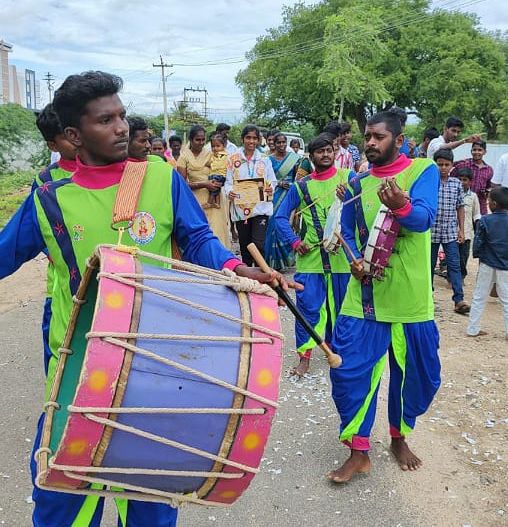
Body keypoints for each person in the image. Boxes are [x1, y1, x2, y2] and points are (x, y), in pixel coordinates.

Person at [0, 70, 291, 527]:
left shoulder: (159, 177)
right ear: (74, 134)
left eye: (120, 116)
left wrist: (236, 268)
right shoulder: (47, 197)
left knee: (151, 494)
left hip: (155, 360)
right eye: (105, 120)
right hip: (78, 366)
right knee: (61, 498)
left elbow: (197, 239)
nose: (121, 127)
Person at [327, 110, 440, 483]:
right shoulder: (358, 182)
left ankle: (398, 437)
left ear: (397, 137)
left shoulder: (422, 171)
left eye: (378, 137)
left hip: (409, 297)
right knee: (350, 375)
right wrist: (354, 260)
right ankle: (359, 452)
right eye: (367, 137)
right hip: (365, 297)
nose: (370, 143)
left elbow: (422, 219)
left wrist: (400, 206)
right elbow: (346, 229)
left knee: (413, 377)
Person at [275, 132, 353, 377]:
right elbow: (279, 218)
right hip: (310, 260)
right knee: (307, 309)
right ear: (311, 156)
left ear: (335, 152)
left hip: (341, 259)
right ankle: (304, 358)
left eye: (330, 150)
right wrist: (295, 242)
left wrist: (349, 197)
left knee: (343, 309)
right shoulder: (302, 186)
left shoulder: (348, 178)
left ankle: (341, 353)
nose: (326, 154)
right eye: (321, 151)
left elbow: (361, 210)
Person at [33, 104, 78, 373]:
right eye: (66, 135)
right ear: (52, 145)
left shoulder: (106, 169)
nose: (75, 139)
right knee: (59, 357)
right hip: (61, 286)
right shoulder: (45, 182)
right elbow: (36, 233)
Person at [466, 186, 508, 341]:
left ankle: (472, 328)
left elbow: (478, 242)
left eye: (489, 200)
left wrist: (479, 255)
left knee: (479, 296)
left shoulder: (485, 220)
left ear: (494, 203)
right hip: (505, 264)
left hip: (487, 263)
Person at [225, 124, 276, 266]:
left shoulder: (264, 159)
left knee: (259, 245)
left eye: (254, 138)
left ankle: (263, 279)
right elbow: (228, 183)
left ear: (259, 140)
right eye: (248, 138)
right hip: (241, 210)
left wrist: (270, 188)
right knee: (245, 247)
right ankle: (248, 282)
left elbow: (272, 180)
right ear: (243, 139)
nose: (251, 141)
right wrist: (230, 192)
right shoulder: (233, 159)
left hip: (261, 208)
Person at [177, 124, 232, 248]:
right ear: (191, 140)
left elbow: (222, 170)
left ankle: (219, 265)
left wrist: (219, 183)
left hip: (214, 199)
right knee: (199, 235)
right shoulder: (184, 157)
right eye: (197, 139)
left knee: (216, 233)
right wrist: (203, 184)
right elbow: (182, 184)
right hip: (195, 200)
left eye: (203, 139)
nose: (201, 143)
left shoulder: (211, 153)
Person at [430, 149, 468, 314]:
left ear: (452, 166)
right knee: (429, 265)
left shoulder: (456, 183)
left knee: (454, 264)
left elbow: (460, 207)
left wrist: (462, 230)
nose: (443, 168)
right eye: (440, 164)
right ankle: (428, 298)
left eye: (446, 164)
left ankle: (458, 300)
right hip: (431, 231)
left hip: (450, 231)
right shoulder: (429, 181)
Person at [265, 132, 302, 270]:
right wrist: (279, 183)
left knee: (285, 223)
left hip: (290, 194)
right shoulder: (268, 160)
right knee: (272, 225)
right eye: (278, 142)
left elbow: (299, 178)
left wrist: (292, 186)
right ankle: (271, 262)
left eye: (283, 142)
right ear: (273, 144)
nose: (281, 145)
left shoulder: (294, 159)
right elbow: (266, 179)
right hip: (274, 194)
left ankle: (286, 259)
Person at [451, 140, 494, 214]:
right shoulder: (463, 164)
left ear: (484, 152)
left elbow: (489, 187)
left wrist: (486, 192)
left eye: (480, 150)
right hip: (462, 204)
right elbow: (451, 180)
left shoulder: (489, 170)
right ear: (471, 151)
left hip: (480, 206)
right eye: (474, 150)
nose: (476, 152)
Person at [455, 167, 481, 281]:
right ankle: (453, 278)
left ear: (470, 181)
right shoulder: (452, 193)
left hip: (467, 232)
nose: (462, 182)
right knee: (453, 256)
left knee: (463, 256)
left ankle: (461, 277)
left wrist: (478, 227)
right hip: (453, 231)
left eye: (464, 179)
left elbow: (476, 214)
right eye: (459, 179)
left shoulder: (473, 196)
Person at [205, 132, 229, 209]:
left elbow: (219, 165)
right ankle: (217, 203)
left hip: (220, 175)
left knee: (213, 187)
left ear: (224, 146)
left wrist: (210, 165)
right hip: (215, 174)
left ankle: (209, 202)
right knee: (217, 190)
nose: (215, 148)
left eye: (218, 146)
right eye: (213, 146)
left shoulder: (223, 155)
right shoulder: (214, 154)